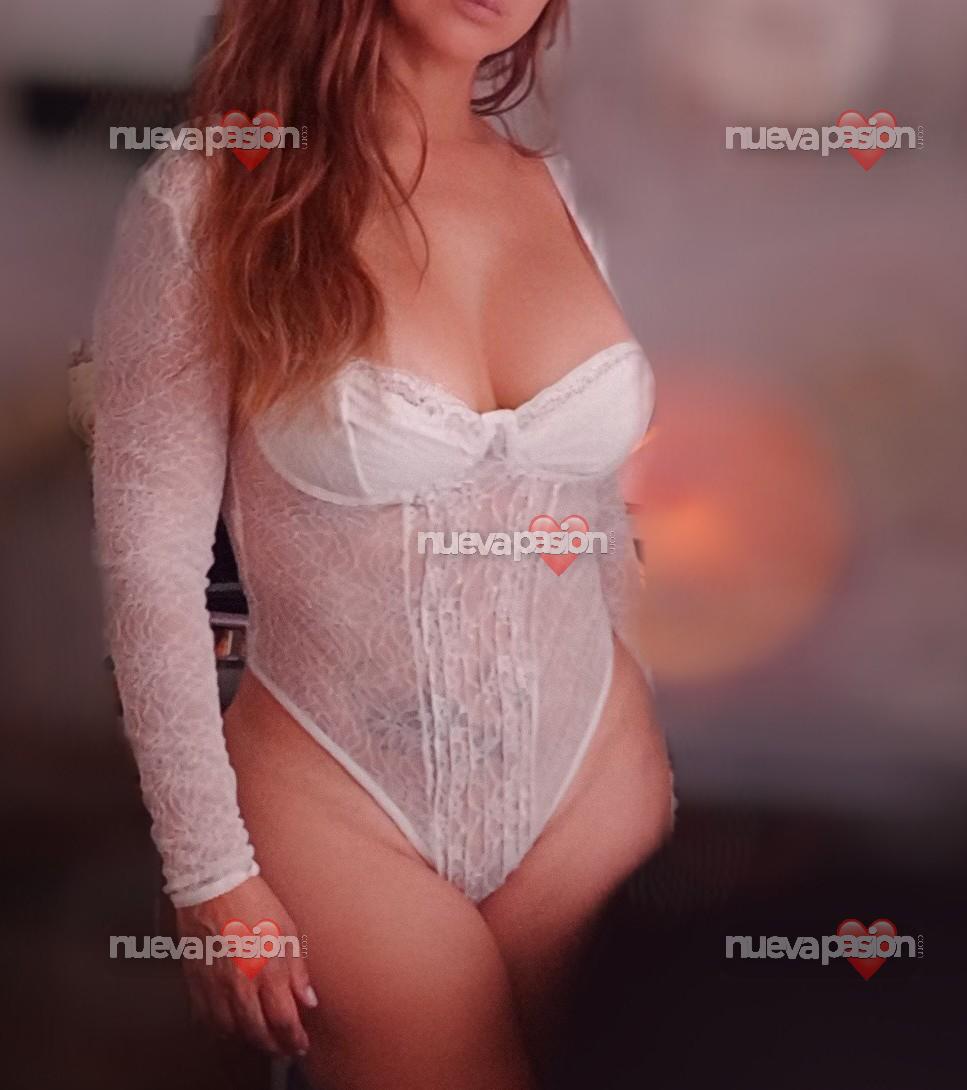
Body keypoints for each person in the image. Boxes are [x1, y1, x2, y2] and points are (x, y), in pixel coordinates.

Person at [91, 2, 676, 1087]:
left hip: (594, 785)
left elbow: (594, 517)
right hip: (338, 804)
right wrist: (209, 872)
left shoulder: (570, 193)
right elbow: (151, 566)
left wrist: (659, 731)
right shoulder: (212, 196)